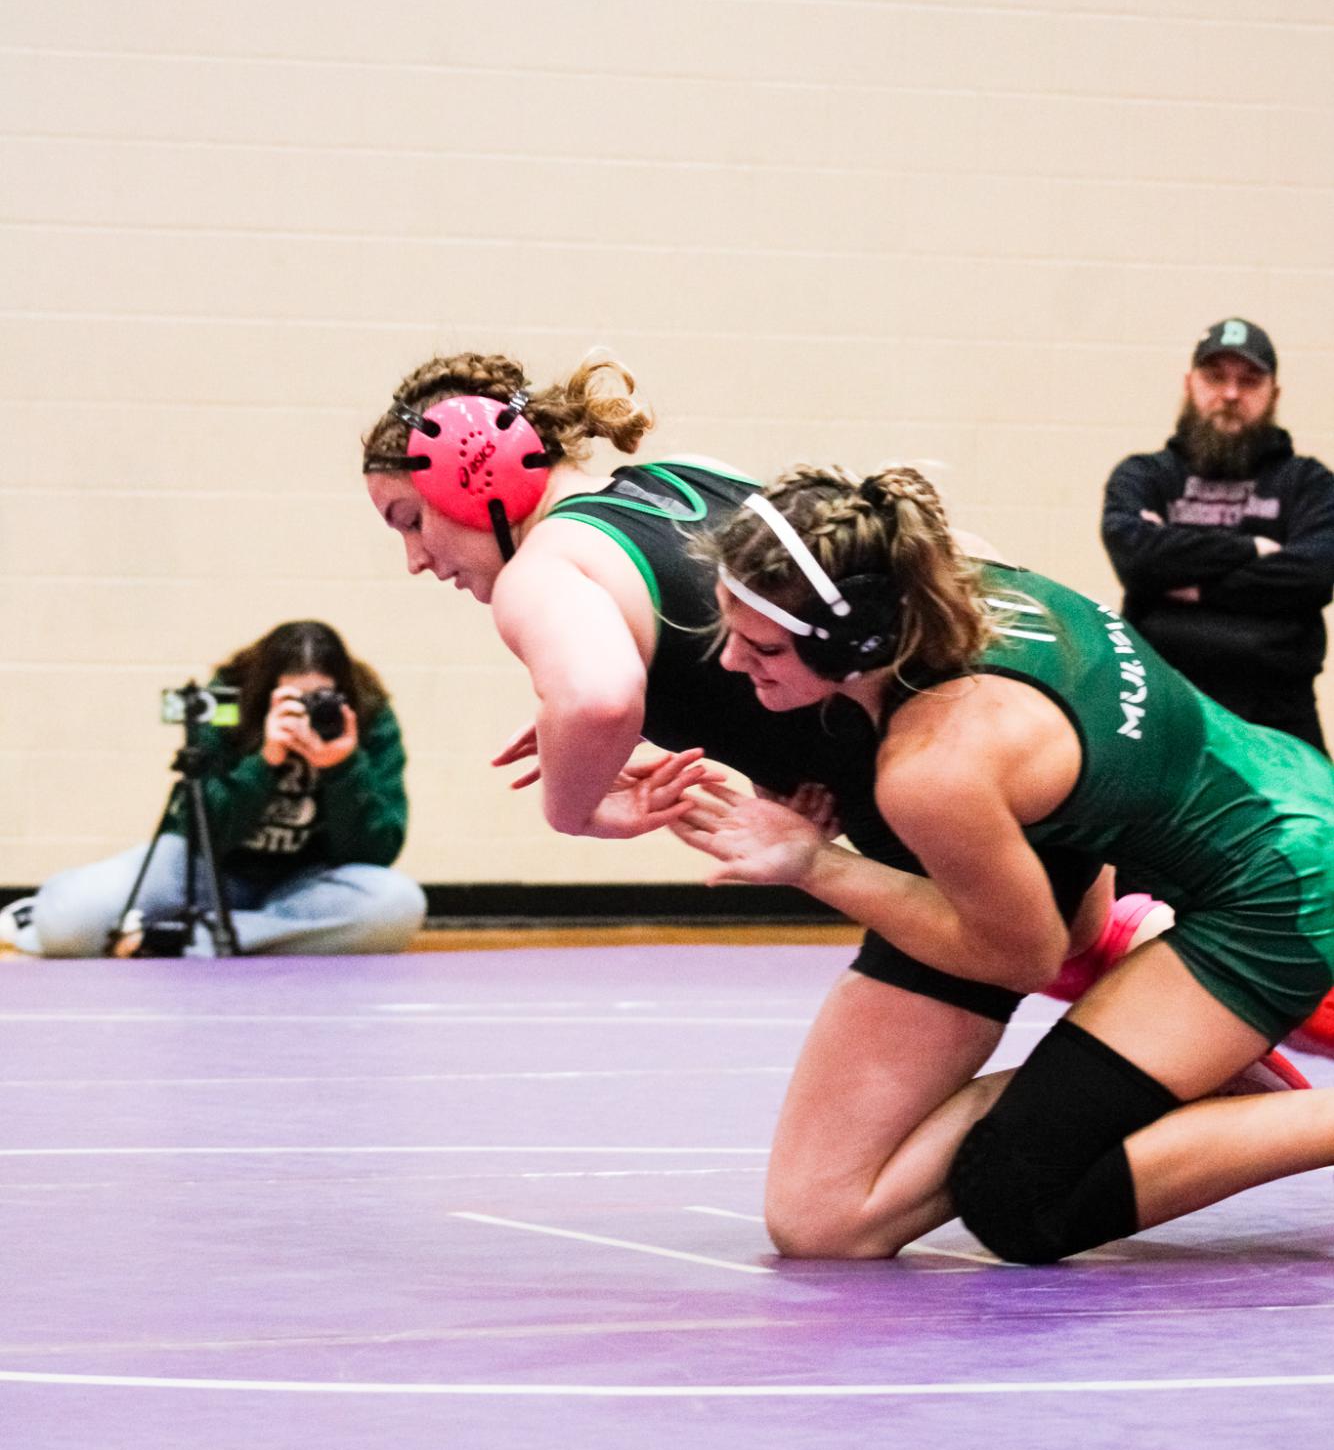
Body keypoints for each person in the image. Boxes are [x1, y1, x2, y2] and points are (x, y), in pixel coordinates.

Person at [360, 350, 1215, 1233]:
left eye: (409, 519)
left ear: (475, 478)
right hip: (1018, 791)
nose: (418, 559)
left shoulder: (543, 571)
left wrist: (577, 807)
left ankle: (1149, 1061)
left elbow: (596, 695)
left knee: (827, 1218)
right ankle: (1164, 1011)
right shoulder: (675, 478)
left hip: (949, 838)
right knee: (1069, 938)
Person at [672, 463, 1333, 1267]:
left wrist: (815, 864)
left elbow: (1024, 956)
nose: (734, 662)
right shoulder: (962, 576)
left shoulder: (935, 764)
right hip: (1285, 796)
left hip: (1285, 894)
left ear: (858, 642)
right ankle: (1186, 1065)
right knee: (1014, 1165)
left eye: (763, 645)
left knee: (1023, 1204)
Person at [11, 621, 426, 958]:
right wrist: (264, 761)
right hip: (205, 868)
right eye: (292, 700)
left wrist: (343, 767)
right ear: (266, 694)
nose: (306, 713)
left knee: (397, 905)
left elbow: (376, 853)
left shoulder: (367, 714)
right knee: (68, 925)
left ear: (342, 695)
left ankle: (181, 941)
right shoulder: (227, 702)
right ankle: (240, 937)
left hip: (307, 883)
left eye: (319, 699)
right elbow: (199, 828)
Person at [1101, 317, 1334, 754]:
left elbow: (1314, 575)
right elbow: (1137, 559)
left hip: (1279, 722)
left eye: (1249, 381)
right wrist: (1251, 549)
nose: (1230, 394)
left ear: (1274, 395)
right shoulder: (1145, 475)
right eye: (1216, 377)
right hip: (1161, 715)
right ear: (1189, 384)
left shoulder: (1310, 483)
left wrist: (1190, 581)